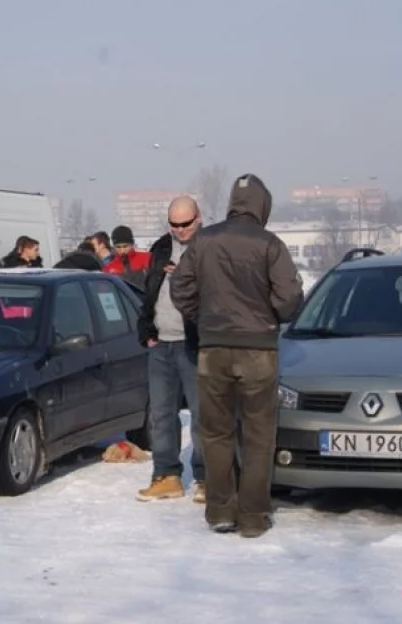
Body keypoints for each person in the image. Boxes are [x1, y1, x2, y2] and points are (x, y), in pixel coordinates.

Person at [170, 173, 303, 538]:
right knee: (258, 436)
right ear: (262, 206)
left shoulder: (203, 240)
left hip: (213, 349)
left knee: (216, 433)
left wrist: (205, 319)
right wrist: (267, 317)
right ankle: (254, 516)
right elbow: (289, 299)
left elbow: (179, 288)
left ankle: (220, 511)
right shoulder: (270, 244)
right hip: (258, 350)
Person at [135, 196, 204, 503]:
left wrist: (188, 279)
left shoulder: (209, 248)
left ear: (198, 218)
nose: (180, 230)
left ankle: (207, 478)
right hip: (161, 343)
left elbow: (217, 294)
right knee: (161, 414)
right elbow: (149, 290)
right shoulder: (161, 247)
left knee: (203, 415)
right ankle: (166, 476)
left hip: (194, 344)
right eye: (174, 225)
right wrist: (145, 327)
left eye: (185, 224)